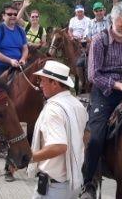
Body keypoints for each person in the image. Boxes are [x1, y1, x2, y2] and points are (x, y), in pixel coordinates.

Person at [80, 2, 122, 199]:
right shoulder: (99, 40)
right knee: (95, 137)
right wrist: (121, 86)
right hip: (105, 92)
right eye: (121, 26)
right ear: (112, 20)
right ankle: (89, 181)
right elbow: (94, 75)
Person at [24, 60, 88, 199]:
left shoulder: (53, 109)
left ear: (55, 83)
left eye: (43, 81)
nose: (40, 85)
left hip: (52, 190)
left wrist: (28, 158)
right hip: (72, 184)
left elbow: (59, 146)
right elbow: (85, 136)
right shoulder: (78, 104)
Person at [0, 2, 28, 77]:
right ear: (3, 16)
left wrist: (23, 59)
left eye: (15, 14)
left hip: (18, 64)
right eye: (9, 14)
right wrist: (10, 61)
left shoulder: (21, 30)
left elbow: (25, 48)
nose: (13, 16)